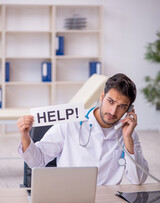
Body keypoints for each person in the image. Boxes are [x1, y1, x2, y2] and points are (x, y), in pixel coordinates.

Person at [17, 73, 149, 185]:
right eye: (110, 101)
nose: (113, 111)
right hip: (69, 199)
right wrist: (25, 135)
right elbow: (37, 162)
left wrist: (127, 139)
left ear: (129, 110)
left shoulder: (128, 135)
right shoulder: (71, 122)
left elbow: (138, 180)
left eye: (122, 106)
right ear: (102, 97)